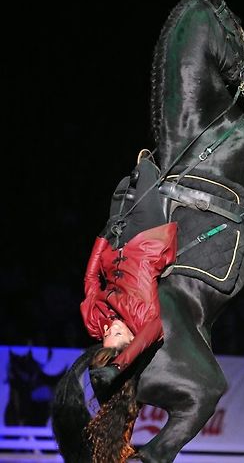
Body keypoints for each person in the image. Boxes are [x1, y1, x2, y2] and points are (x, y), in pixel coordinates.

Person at [80, 151, 177, 389]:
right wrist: (118, 366)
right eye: (118, 334)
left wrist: (101, 240)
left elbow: (91, 278)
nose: (110, 329)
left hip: (114, 244)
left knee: (124, 185)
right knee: (145, 168)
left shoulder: (95, 321)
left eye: (107, 336)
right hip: (147, 239)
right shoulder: (145, 322)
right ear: (132, 339)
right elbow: (152, 332)